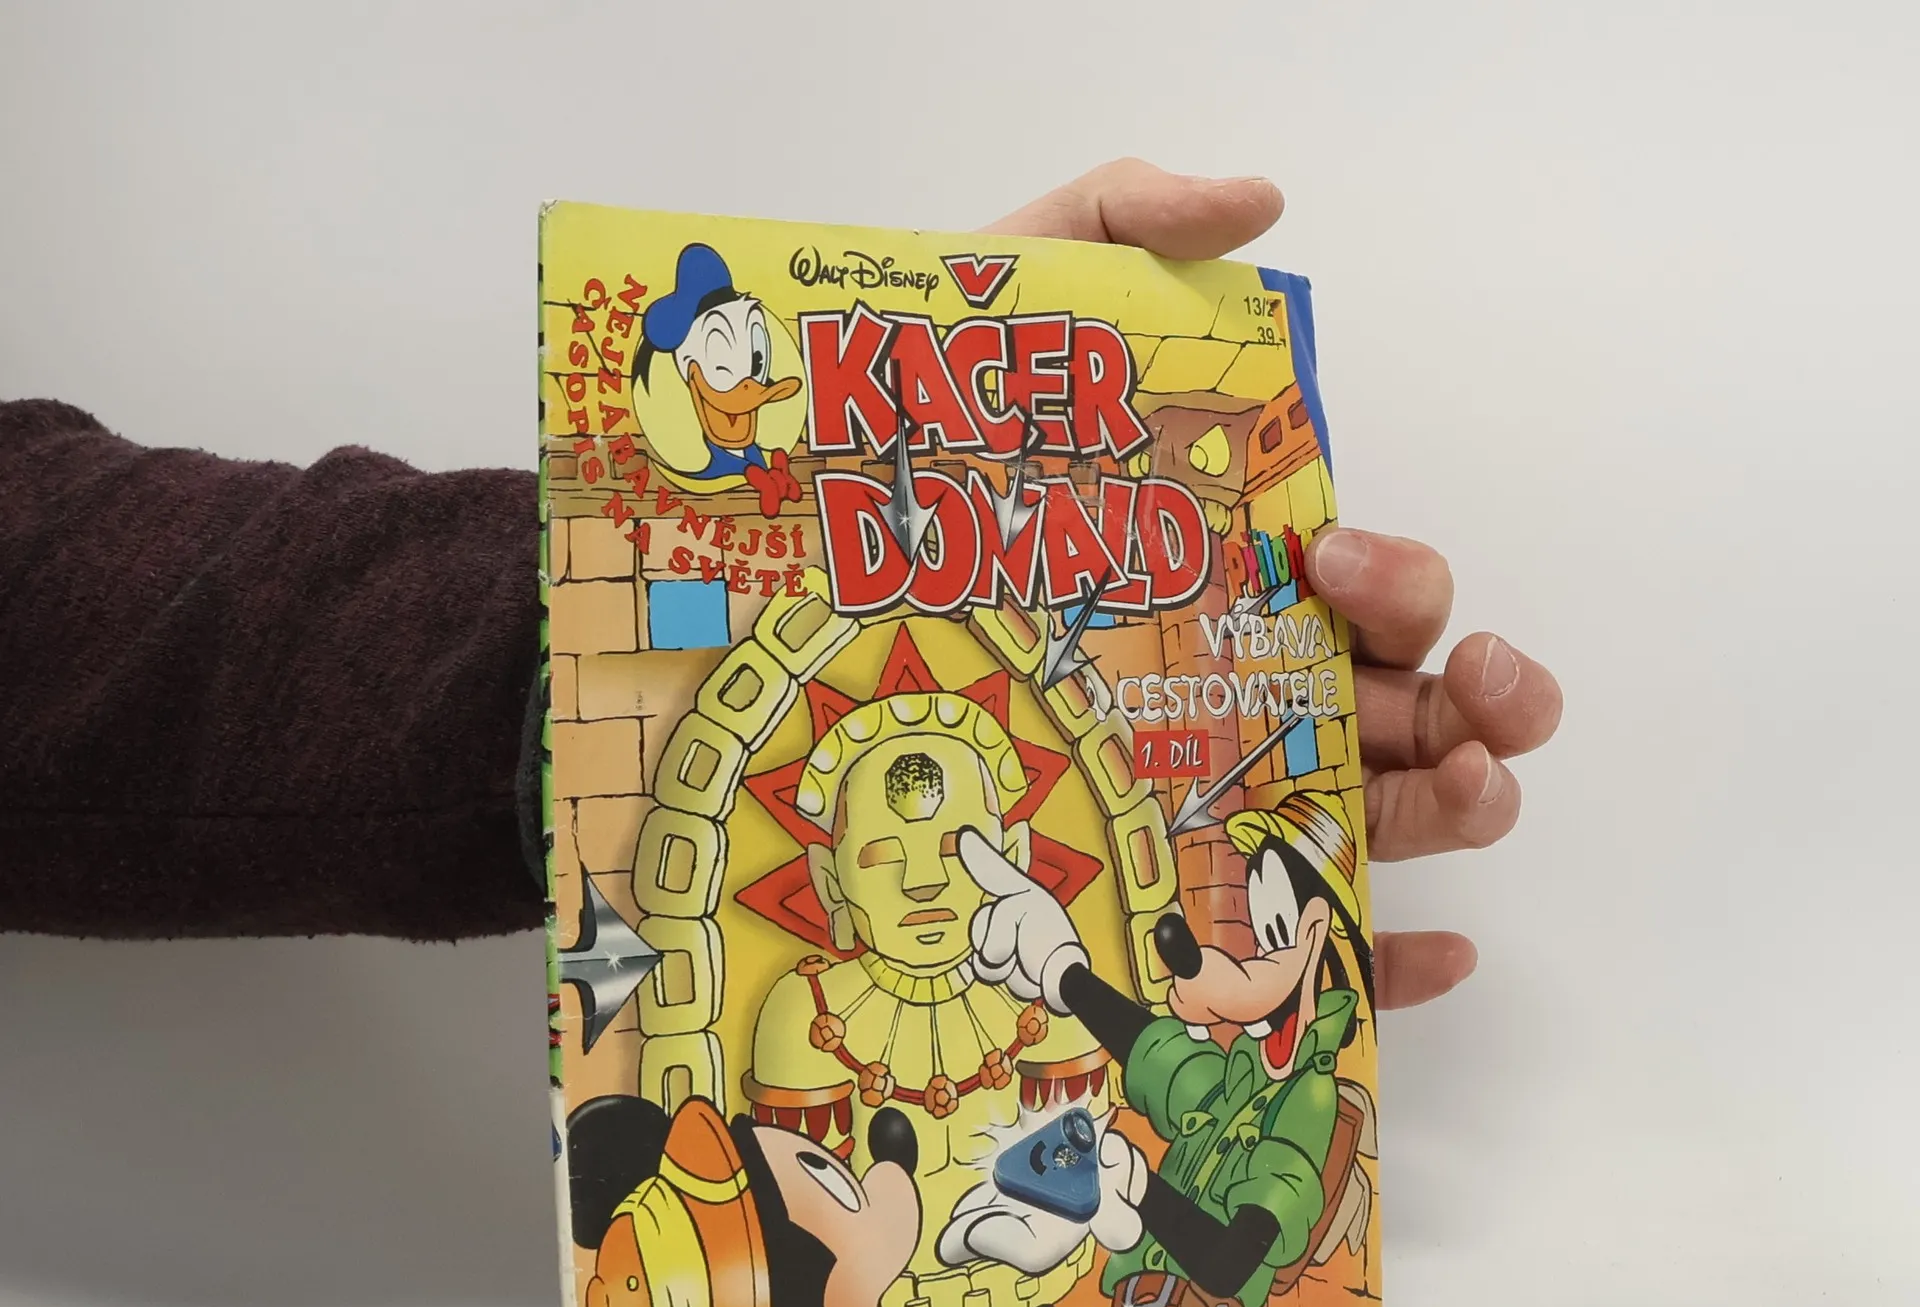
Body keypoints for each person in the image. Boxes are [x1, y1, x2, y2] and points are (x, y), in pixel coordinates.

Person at [0, 160, 1562, 990]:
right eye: (904, 824)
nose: (943, 860)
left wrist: (874, 466)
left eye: (965, 822)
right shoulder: (821, 1001)